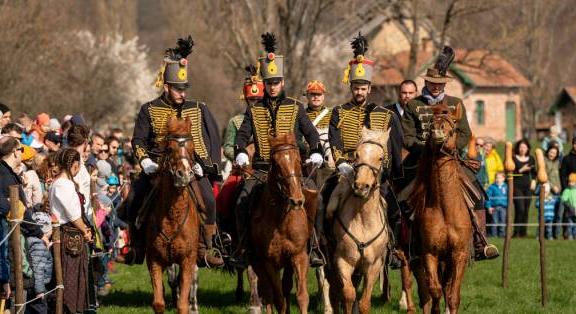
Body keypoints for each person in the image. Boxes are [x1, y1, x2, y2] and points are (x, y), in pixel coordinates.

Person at [126, 35, 223, 267]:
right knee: (133, 199)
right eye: (178, 89)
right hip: (158, 170)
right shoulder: (149, 109)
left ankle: (207, 247)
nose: (183, 93)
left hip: (191, 167)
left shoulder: (198, 108)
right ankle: (137, 248)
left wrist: (205, 164)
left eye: (185, 89)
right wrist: (145, 162)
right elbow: (138, 140)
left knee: (209, 200)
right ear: (167, 86)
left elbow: (210, 140)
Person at [232, 33, 323, 267]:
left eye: (276, 83)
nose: (272, 87)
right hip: (262, 170)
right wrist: (241, 151)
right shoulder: (254, 110)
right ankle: (244, 247)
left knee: (315, 197)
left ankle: (314, 246)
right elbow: (242, 135)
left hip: (293, 172)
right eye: (269, 83)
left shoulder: (296, 106)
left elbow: (312, 134)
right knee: (242, 199)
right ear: (264, 84)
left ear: (282, 82)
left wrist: (316, 151)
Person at [402, 46, 498, 260]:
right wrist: (425, 147)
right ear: (425, 83)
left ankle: (479, 242)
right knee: (402, 198)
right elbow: (407, 137)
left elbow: (465, 133)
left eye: (440, 84)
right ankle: (407, 245)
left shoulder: (456, 104)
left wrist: (452, 146)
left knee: (478, 194)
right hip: (421, 162)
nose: (436, 87)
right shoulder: (413, 105)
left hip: (451, 159)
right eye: (433, 83)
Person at [322, 33, 403, 266]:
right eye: (356, 87)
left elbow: (392, 150)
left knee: (395, 208)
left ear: (370, 88)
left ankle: (393, 249)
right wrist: (342, 164)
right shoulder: (338, 112)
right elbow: (334, 141)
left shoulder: (385, 115)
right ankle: (323, 246)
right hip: (346, 173)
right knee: (322, 203)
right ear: (351, 87)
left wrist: (385, 172)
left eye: (363, 87)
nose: (359, 92)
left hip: (376, 174)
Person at [49, 148, 93, 313]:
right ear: (74, 165)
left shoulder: (58, 183)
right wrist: (85, 232)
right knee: (70, 281)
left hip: (67, 234)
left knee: (71, 280)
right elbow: (74, 216)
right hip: (69, 236)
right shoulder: (63, 185)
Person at [512, 139, 536, 238]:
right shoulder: (513, 158)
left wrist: (534, 181)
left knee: (526, 209)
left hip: (528, 187)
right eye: (521, 147)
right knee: (520, 208)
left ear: (527, 149)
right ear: (518, 148)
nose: (522, 149)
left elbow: (534, 172)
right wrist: (522, 169)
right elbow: (511, 173)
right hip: (517, 186)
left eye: (524, 147)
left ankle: (523, 233)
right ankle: (516, 232)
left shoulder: (531, 159)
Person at [543, 145, 562, 239]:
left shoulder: (558, 162)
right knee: (548, 215)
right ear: (547, 152)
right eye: (551, 152)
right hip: (549, 192)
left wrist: (559, 187)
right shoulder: (544, 162)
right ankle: (546, 234)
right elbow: (544, 176)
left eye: (554, 153)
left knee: (557, 214)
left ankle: (556, 234)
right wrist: (552, 186)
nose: (552, 154)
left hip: (559, 191)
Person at [485, 172, 508, 237]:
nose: (498, 179)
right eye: (497, 178)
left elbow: (509, 197)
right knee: (494, 221)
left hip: (503, 207)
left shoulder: (506, 187)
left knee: (503, 221)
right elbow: (488, 197)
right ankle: (494, 235)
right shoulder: (492, 187)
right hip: (494, 207)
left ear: (503, 178)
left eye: (500, 178)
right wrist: (489, 206)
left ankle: (502, 234)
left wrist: (509, 205)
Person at [561, 173, 576, 239]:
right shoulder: (566, 190)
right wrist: (570, 207)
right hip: (569, 211)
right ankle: (569, 235)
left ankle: (575, 235)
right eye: (569, 182)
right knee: (570, 224)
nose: (570, 183)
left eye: (572, 182)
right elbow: (563, 199)